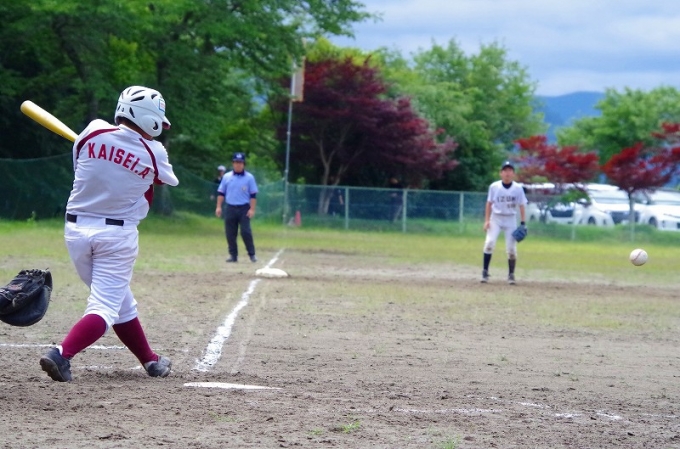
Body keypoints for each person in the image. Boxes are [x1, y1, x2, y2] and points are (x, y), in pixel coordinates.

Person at [39, 85, 179, 382]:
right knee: (104, 307)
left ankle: (150, 360)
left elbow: (83, 166)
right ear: (148, 119)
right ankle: (61, 354)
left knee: (119, 301)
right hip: (116, 238)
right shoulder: (154, 151)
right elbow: (164, 181)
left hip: (75, 231)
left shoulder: (92, 131)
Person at [481, 160, 527, 285]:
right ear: (501, 173)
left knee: (511, 248)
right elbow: (489, 203)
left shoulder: (518, 188)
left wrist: (523, 223)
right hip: (495, 218)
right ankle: (485, 271)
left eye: (510, 170)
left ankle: (511, 274)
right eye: (505, 170)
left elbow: (522, 205)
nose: (507, 173)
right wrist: (486, 220)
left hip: (510, 219)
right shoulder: (494, 186)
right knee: (489, 242)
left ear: (513, 174)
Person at [215, 152, 258, 263]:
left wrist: (252, 209)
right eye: (236, 162)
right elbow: (221, 193)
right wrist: (218, 207)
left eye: (240, 162)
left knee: (245, 231)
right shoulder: (227, 177)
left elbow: (253, 195)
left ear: (244, 164)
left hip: (244, 208)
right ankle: (233, 255)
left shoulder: (249, 178)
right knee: (230, 233)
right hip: (230, 207)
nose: (238, 164)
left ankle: (252, 254)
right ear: (233, 163)